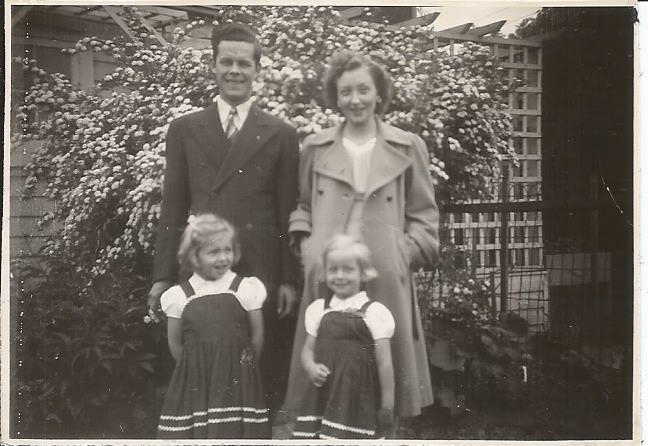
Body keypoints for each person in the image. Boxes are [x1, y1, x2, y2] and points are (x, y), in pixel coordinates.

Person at [146, 22, 299, 412]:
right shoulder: (184, 129)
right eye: (226, 61)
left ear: (256, 69)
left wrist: (287, 278)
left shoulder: (280, 133)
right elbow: (173, 206)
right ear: (212, 66)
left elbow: (287, 212)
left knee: (258, 376)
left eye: (243, 63)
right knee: (202, 375)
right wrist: (164, 275)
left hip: (259, 268)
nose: (235, 70)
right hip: (203, 267)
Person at [284, 50, 440, 427]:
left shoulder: (407, 145)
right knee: (323, 369)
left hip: (382, 274)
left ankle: (384, 430)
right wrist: (307, 246)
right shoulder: (315, 147)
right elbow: (302, 205)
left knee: (385, 369)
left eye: (363, 90)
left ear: (379, 93)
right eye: (345, 92)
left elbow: (425, 216)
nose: (355, 100)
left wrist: (403, 252)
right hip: (329, 274)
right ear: (335, 97)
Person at [157, 214, 268, 438]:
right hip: (198, 379)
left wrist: (244, 366)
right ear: (194, 256)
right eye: (213, 252)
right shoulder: (180, 296)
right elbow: (175, 343)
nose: (223, 258)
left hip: (238, 379)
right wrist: (195, 367)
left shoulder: (244, 288)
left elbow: (257, 335)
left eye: (227, 250)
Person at [292, 234, 395, 439]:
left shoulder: (374, 312)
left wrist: (387, 405)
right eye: (333, 269)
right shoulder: (319, 309)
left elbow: (384, 363)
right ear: (325, 273)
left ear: (363, 274)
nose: (340, 276)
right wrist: (311, 367)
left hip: (357, 394)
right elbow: (307, 350)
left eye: (348, 269)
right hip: (324, 391)